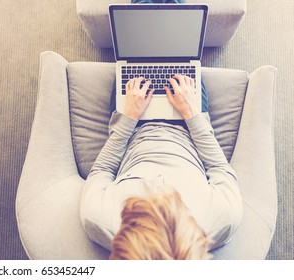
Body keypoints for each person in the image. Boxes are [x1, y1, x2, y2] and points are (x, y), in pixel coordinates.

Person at [79, 75, 243, 260]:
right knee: (185, 58)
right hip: (188, 124)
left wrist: (129, 116)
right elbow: (218, 167)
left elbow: (103, 170)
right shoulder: (224, 217)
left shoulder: (98, 219)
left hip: (133, 125)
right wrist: (190, 112)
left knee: (130, 56)